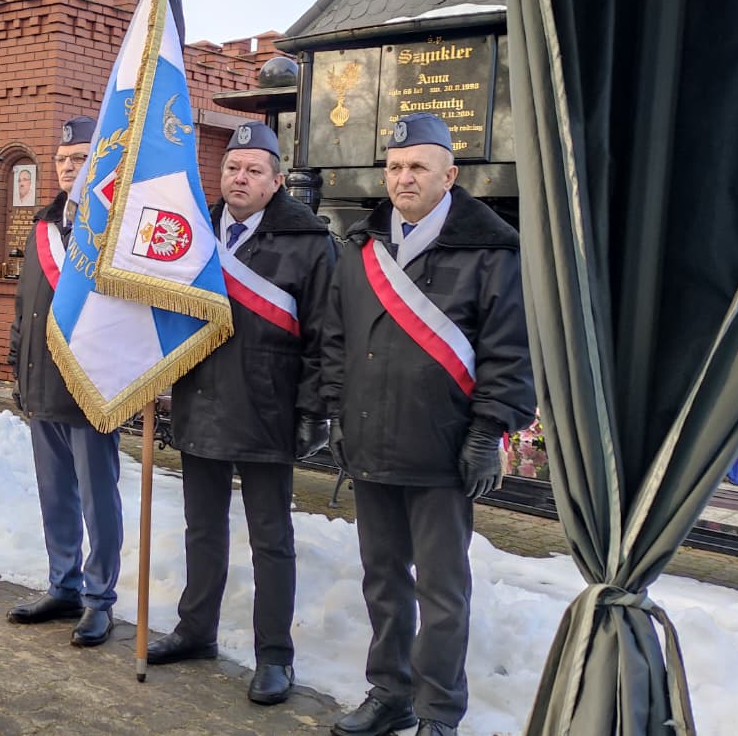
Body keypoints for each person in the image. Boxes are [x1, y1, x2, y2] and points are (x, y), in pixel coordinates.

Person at [320, 112, 533, 736]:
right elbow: (336, 338)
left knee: (442, 595)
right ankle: (390, 693)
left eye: (416, 166)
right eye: (393, 167)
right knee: (383, 580)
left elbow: (510, 349)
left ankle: (439, 712)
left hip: (443, 449)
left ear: (450, 173)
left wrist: (486, 432)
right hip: (370, 441)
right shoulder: (362, 247)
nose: (403, 178)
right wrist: (338, 413)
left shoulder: (491, 251)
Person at [146, 121, 335, 706]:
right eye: (233, 168)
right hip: (199, 400)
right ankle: (196, 629)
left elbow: (326, 335)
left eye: (255, 170)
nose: (240, 178)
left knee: (270, 539)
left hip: (269, 409)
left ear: (277, 181)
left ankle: (274, 656)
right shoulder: (192, 230)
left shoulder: (310, 242)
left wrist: (315, 411)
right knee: (202, 529)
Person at [5, 116, 123, 647]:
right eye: (62, 160)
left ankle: (100, 599)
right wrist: (17, 367)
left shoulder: (115, 225)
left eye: (80, 158)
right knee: (56, 496)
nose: (70, 167)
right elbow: (25, 307)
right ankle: (64, 584)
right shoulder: (43, 226)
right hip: (41, 383)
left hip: (91, 387)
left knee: (98, 500)